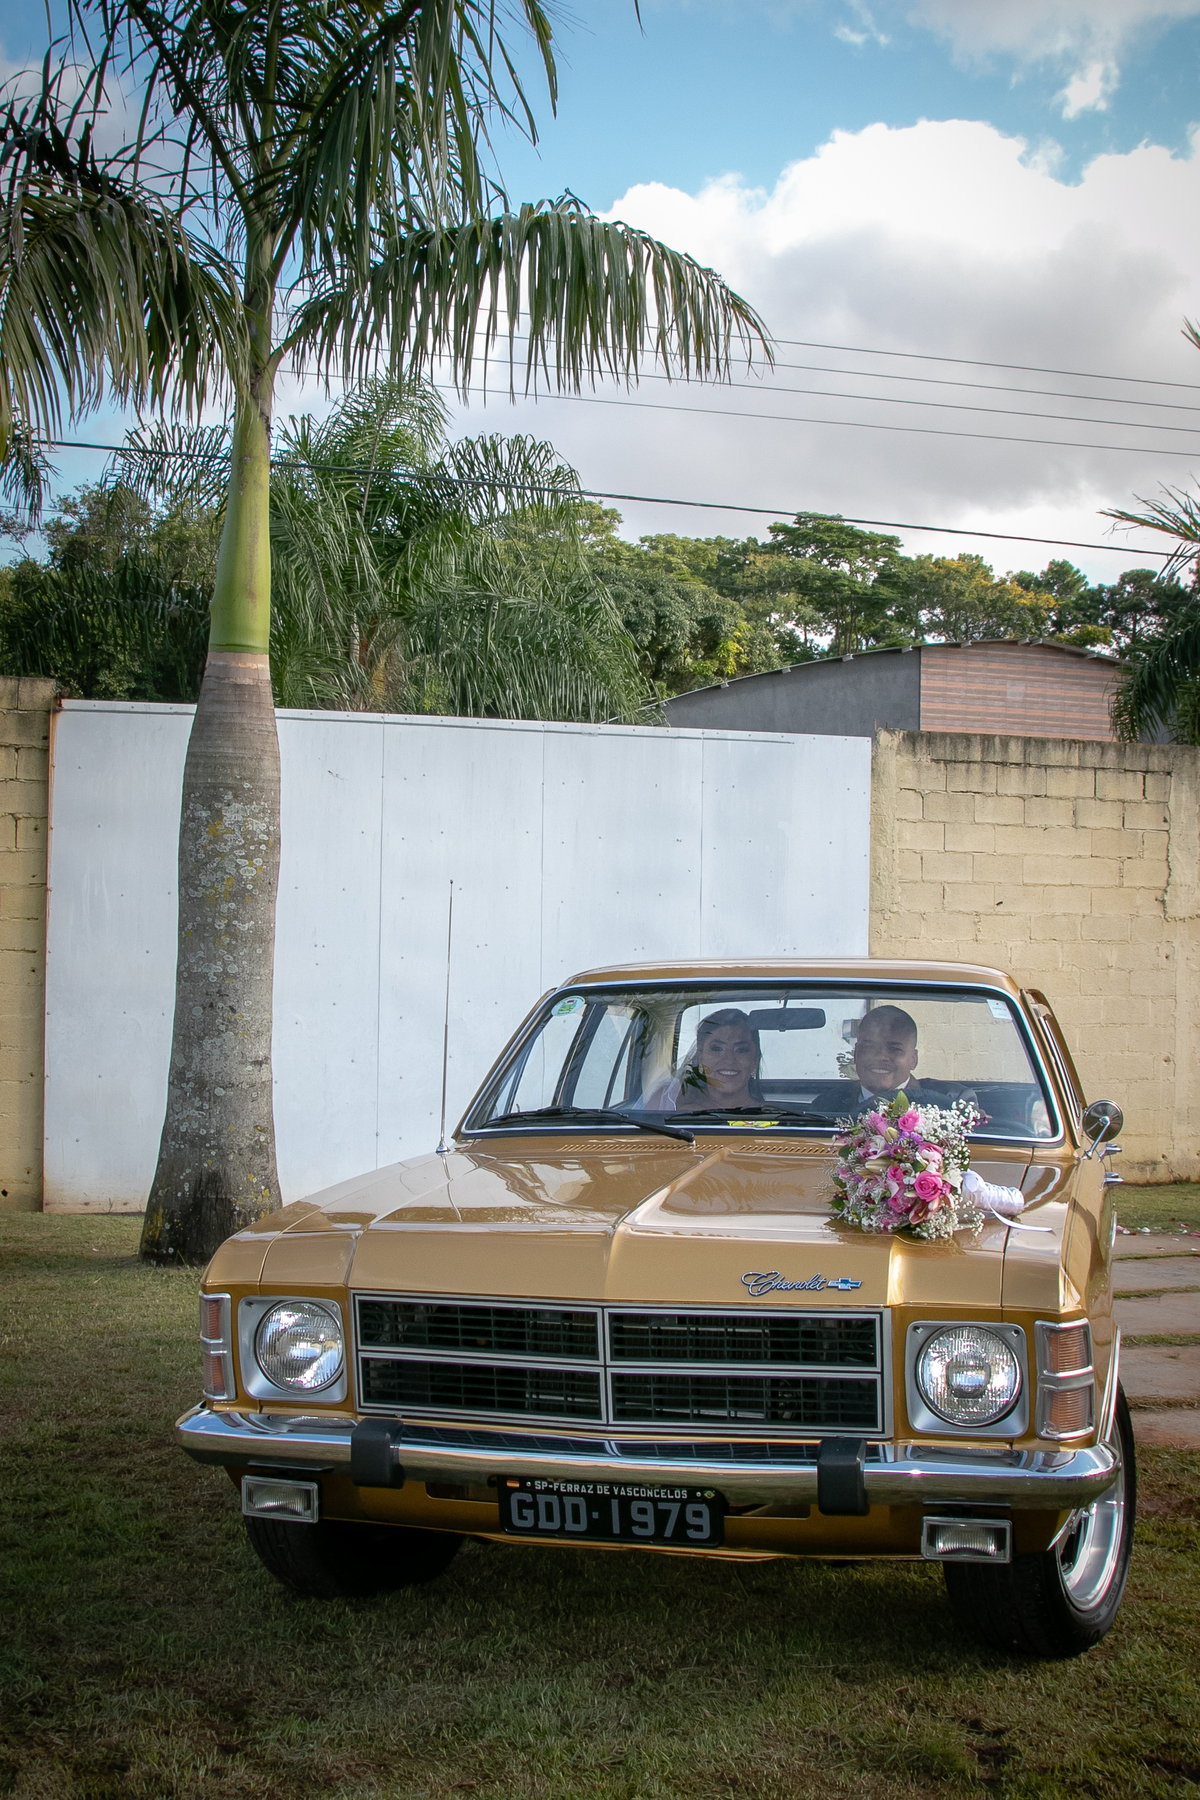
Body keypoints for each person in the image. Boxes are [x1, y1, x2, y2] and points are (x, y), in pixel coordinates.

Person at [640, 1008, 763, 1113]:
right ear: (700, 1056)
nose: (729, 1059)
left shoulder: (776, 1118)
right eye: (716, 1048)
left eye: (741, 1050)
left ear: (755, 1060)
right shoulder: (667, 1102)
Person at [851, 1004, 967, 1115]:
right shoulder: (833, 1102)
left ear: (913, 1059)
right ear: (856, 1054)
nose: (881, 1056)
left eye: (894, 1049)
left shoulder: (951, 1102)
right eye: (869, 1047)